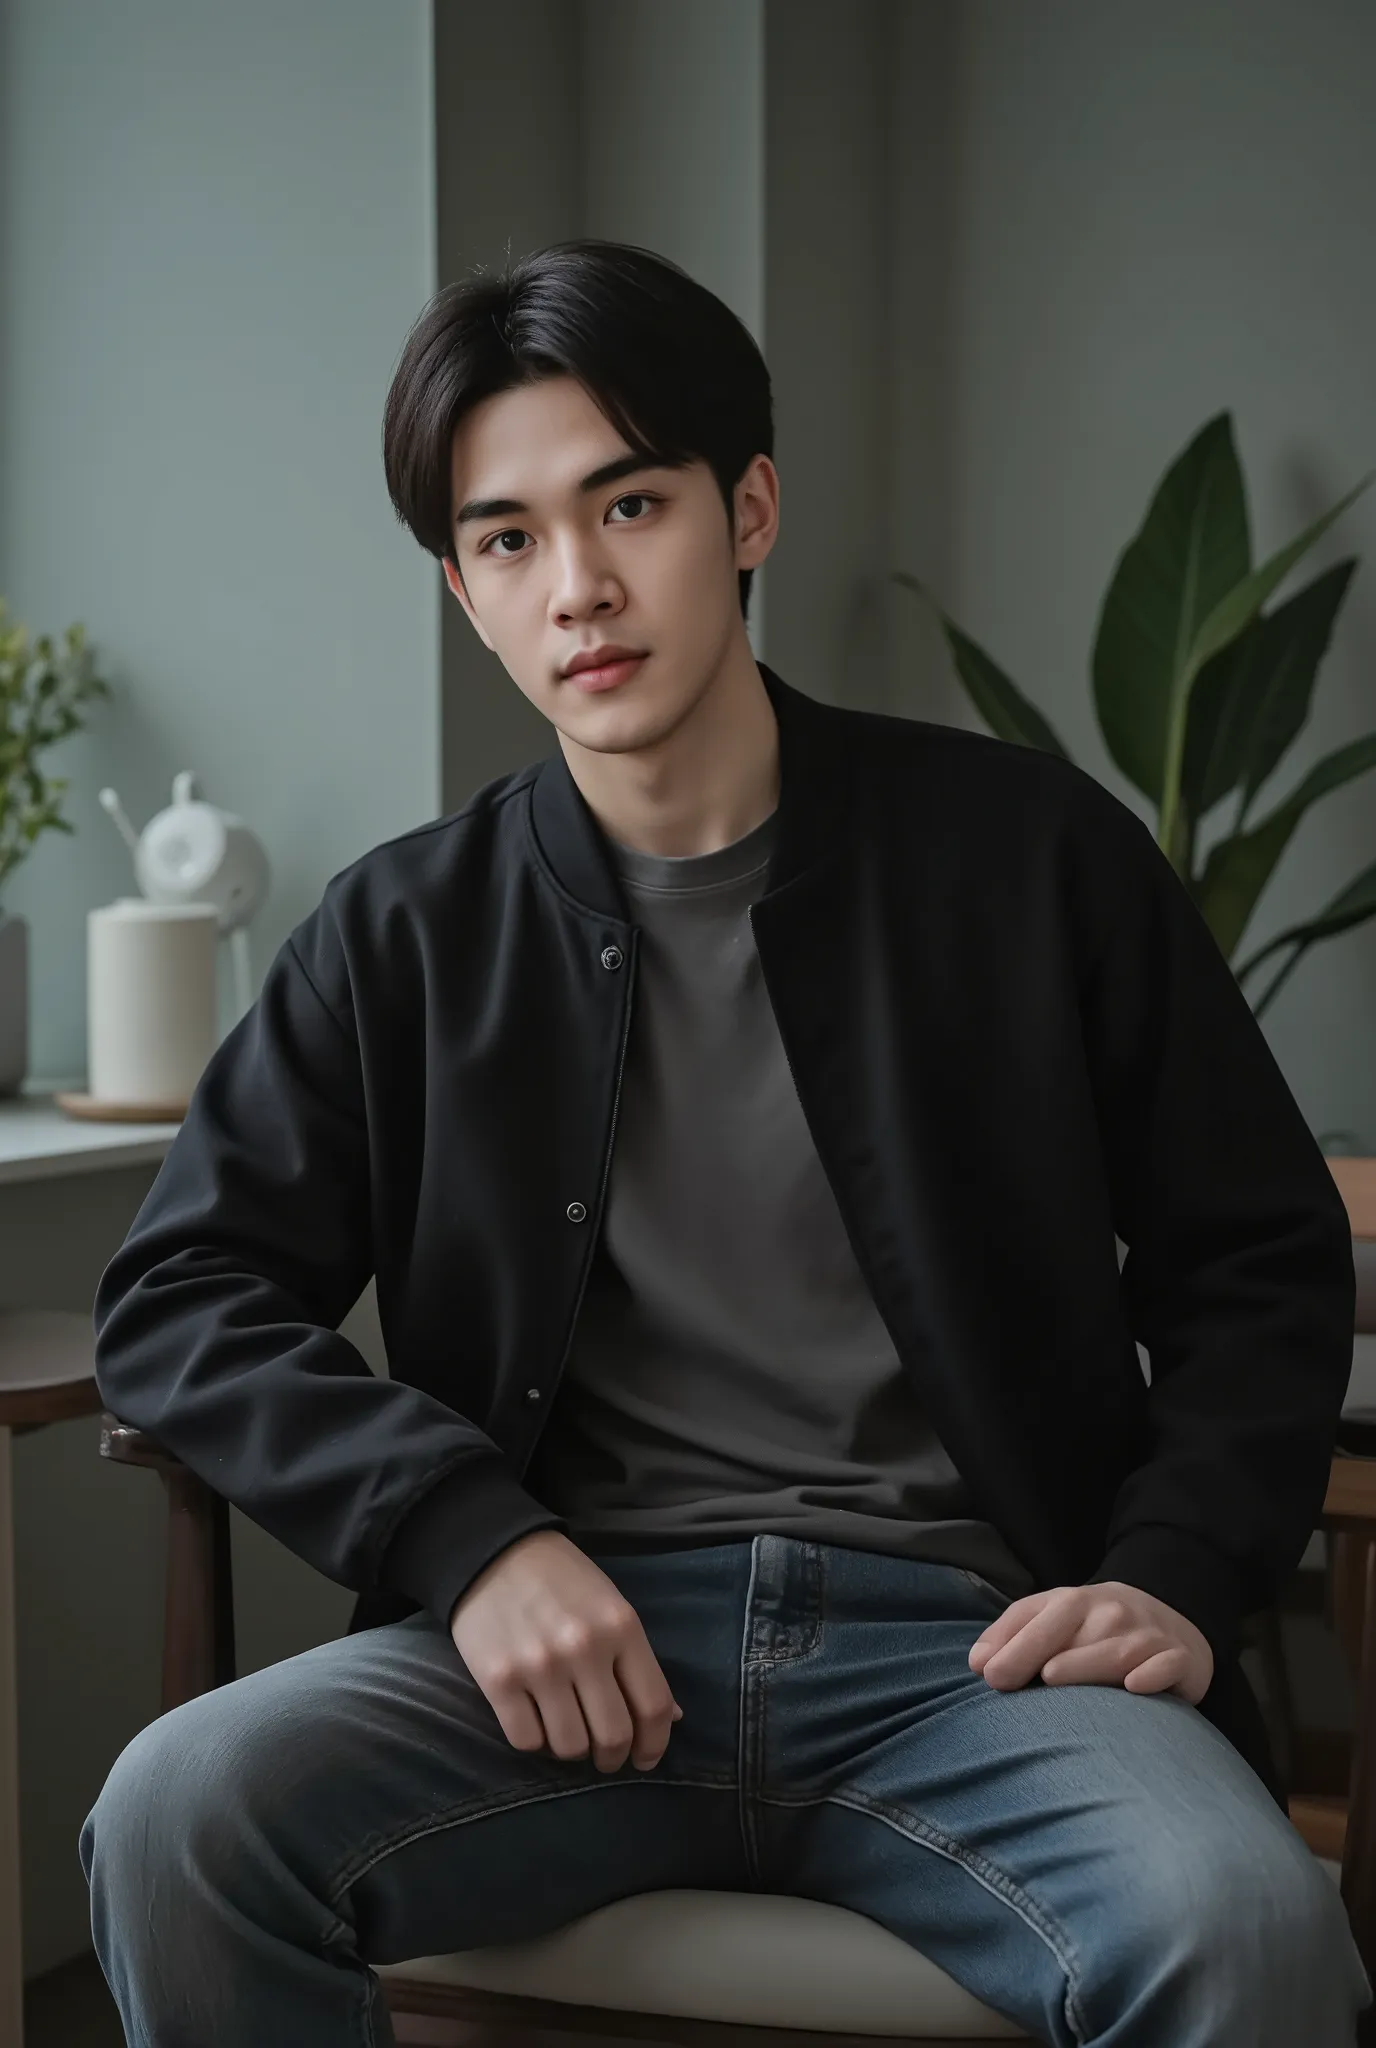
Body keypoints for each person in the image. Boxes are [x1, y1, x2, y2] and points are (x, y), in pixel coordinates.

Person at [80, 239, 1371, 2047]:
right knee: (178, 1817)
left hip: (984, 1660)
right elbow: (185, 1291)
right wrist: (471, 1535)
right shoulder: (403, 935)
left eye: (631, 505)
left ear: (746, 508)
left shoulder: (1031, 859)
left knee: (1251, 1939)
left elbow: (1258, 1257)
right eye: (509, 539)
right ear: (463, 591)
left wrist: (1172, 1568)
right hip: (569, 1658)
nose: (580, 589)